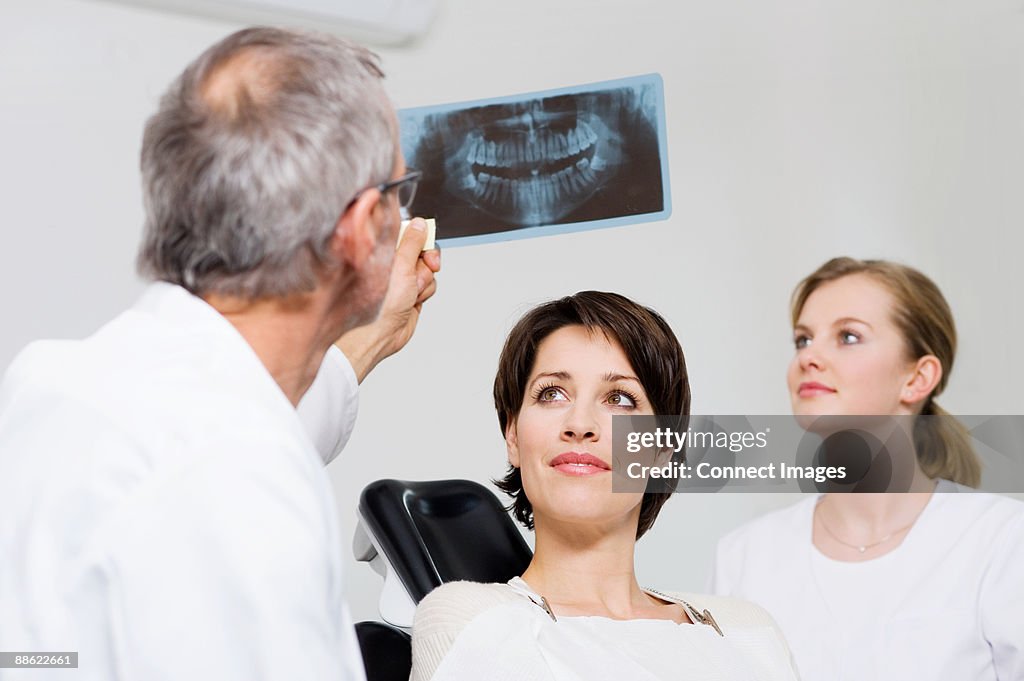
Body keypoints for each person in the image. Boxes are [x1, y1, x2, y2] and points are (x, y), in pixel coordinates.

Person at [0, 27, 440, 680]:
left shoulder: (55, 380)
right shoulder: (237, 477)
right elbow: (224, 453)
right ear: (356, 229)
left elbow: (234, 415)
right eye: (397, 191)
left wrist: (372, 334)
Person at [410, 292, 800, 681]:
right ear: (512, 435)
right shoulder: (471, 619)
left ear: (662, 450)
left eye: (619, 399)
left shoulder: (749, 629)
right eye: (551, 394)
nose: (580, 423)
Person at [711, 257, 1024, 681]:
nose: (810, 357)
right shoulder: (744, 558)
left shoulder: (1001, 541)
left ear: (917, 378)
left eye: (849, 336)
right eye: (803, 340)